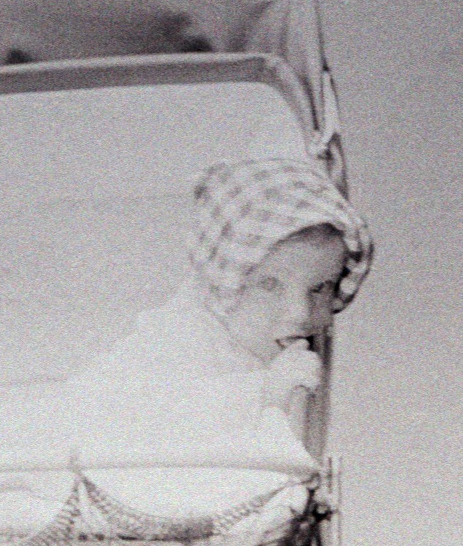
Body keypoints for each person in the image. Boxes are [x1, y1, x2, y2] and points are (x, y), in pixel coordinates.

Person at [69, 157, 372, 445]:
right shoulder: (170, 339)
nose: (300, 313)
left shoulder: (265, 348)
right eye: (269, 285)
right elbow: (135, 417)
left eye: (320, 288)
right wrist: (265, 392)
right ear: (220, 283)